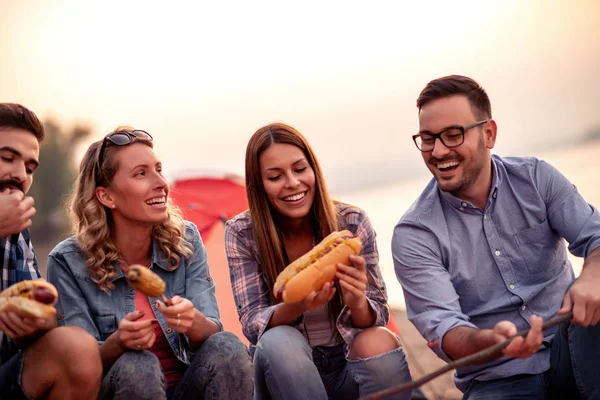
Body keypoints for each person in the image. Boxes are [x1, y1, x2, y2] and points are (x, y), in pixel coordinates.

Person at [392, 75, 600, 399]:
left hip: (573, 347)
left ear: (488, 134)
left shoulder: (536, 178)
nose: (438, 150)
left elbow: (595, 235)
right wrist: (490, 341)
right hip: (496, 379)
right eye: (428, 139)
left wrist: (592, 276)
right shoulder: (415, 235)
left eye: (452, 135)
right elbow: (444, 330)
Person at [46, 127, 254, 400]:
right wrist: (118, 343)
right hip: (122, 388)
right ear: (106, 196)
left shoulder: (186, 239)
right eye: (141, 173)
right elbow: (74, 366)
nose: (161, 183)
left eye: (158, 169)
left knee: (228, 346)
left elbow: (213, 331)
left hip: (188, 386)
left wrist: (192, 321)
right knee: (137, 364)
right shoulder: (67, 262)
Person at [225, 122, 413, 400]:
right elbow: (253, 323)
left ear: (314, 169)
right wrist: (298, 303)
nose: (292, 182)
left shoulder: (352, 222)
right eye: (275, 176)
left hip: (348, 365)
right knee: (279, 341)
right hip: (283, 374)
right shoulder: (241, 232)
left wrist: (357, 300)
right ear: (259, 185)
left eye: (300, 169)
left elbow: (379, 316)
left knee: (378, 338)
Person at [0, 103, 102, 399]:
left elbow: (40, 311)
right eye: (8, 158)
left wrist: (37, 321)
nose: (21, 175)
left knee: (78, 348)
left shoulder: (17, 232)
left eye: (30, 168)